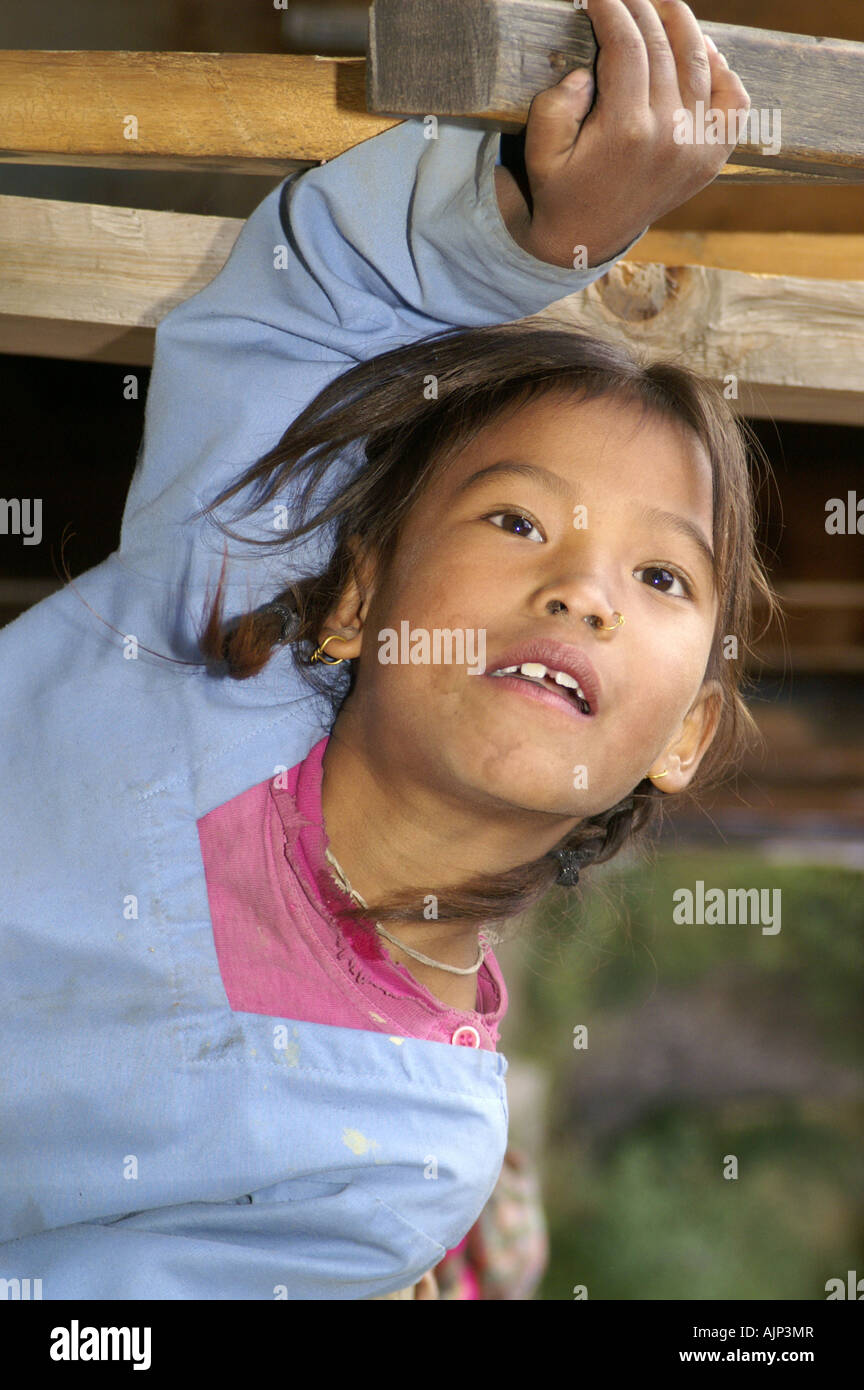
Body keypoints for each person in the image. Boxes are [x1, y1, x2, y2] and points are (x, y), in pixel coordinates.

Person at [0, 1, 769, 1299]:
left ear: (687, 729)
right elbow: (311, 304)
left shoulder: (418, 1156)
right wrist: (549, 226)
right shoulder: (224, 624)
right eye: (518, 518)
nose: (584, 588)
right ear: (356, 594)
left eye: (658, 574)